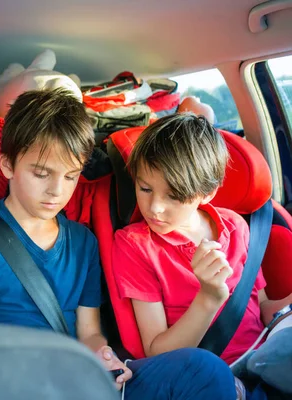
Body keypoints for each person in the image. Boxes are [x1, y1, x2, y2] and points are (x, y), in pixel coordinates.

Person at [0, 89, 237, 400]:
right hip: (6, 381)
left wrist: (102, 355)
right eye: (42, 174)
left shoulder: (83, 243)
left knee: (204, 370)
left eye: (71, 176)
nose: (56, 191)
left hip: (76, 379)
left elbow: (89, 332)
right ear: (7, 165)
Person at [112, 113, 292, 398]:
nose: (155, 207)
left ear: (207, 193)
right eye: (145, 188)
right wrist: (208, 297)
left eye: (173, 196)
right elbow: (156, 350)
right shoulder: (135, 244)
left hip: (261, 359)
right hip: (200, 375)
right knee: (210, 371)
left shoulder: (237, 226)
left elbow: (262, 306)